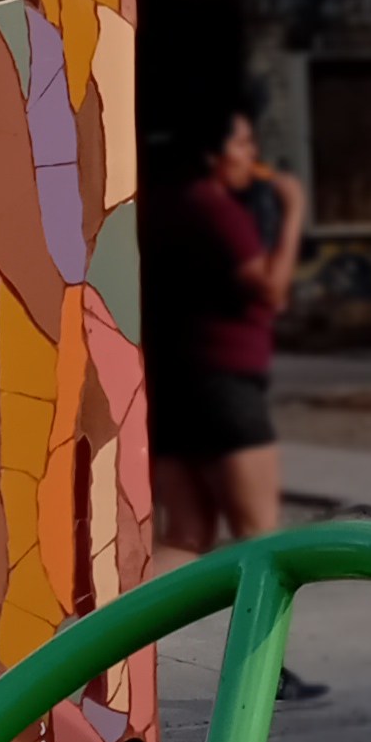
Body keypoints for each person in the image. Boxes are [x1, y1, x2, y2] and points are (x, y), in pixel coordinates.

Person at [141, 107, 328, 702]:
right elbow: (270, 289)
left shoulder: (167, 204)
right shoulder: (218, 209)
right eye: (244, 144)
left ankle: (94, 625)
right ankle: (265, 671)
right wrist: (294, 211)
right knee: (261, 539)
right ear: (214, 156)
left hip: (175, 383)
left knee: (187, 535)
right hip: (225, 388)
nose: (253, 156)